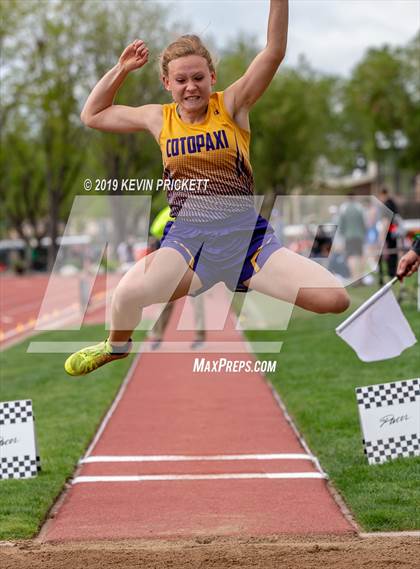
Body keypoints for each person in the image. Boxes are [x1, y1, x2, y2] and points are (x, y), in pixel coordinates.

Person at [65, 0, 350, 376]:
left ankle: (244, 277)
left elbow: (274, 52)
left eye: (198, 77)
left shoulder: (232, 105)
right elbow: (93, 115)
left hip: (246, 240)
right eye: (180, 80)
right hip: (188, 244)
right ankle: (117, 347)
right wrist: (121, 69)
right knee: (126, 295)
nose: (190, 87)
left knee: (335, 299)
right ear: (167, 83)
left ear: (212, 77)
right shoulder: (159, 118)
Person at [337, 193, 366, 284]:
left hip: (348, 236)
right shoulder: (359, 207)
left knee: (351, 257)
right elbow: (363, 222)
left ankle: (354, 278)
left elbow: (341, 224)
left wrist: (342, 235)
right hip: (359, 236)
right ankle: (361, 277)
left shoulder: (344, 208)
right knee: (360, 256)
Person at [378, 187, 400, 284]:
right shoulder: (393, 203)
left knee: (388, 253)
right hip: (393, 231)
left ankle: (388, 274)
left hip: (388, 232)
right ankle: (393, 273)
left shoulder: (386, 205)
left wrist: (382, 236)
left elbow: (385, 221)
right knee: (393, 253)